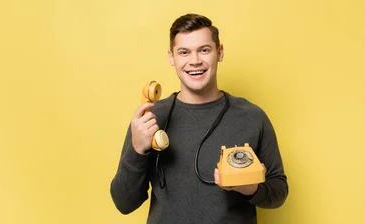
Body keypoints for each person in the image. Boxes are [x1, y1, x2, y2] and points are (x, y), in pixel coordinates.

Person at [109, 13, 289, 223]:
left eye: (204, 50)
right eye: (184, 52)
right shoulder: (149, 120)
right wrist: (138, 150)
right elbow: (124, 203)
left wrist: (248, 187)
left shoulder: (252, 116)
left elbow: (279, 191)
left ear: (219, 52)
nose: (195, 61)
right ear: (171, 57)